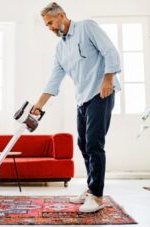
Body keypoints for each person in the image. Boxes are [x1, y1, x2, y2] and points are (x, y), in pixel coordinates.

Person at [32, 2, 121, 213]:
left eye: (51, 22)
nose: (50, 28)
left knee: (94, 145)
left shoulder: (86, 27)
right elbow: (54, 79)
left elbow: (110, 51)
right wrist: (38, 105)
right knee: (83, 145)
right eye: (46, 25)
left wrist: (108, 78)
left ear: (62, 15)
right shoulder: (61, 48)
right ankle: (91, 188)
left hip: (101, 93)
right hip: (82, 100)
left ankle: (97, 197)